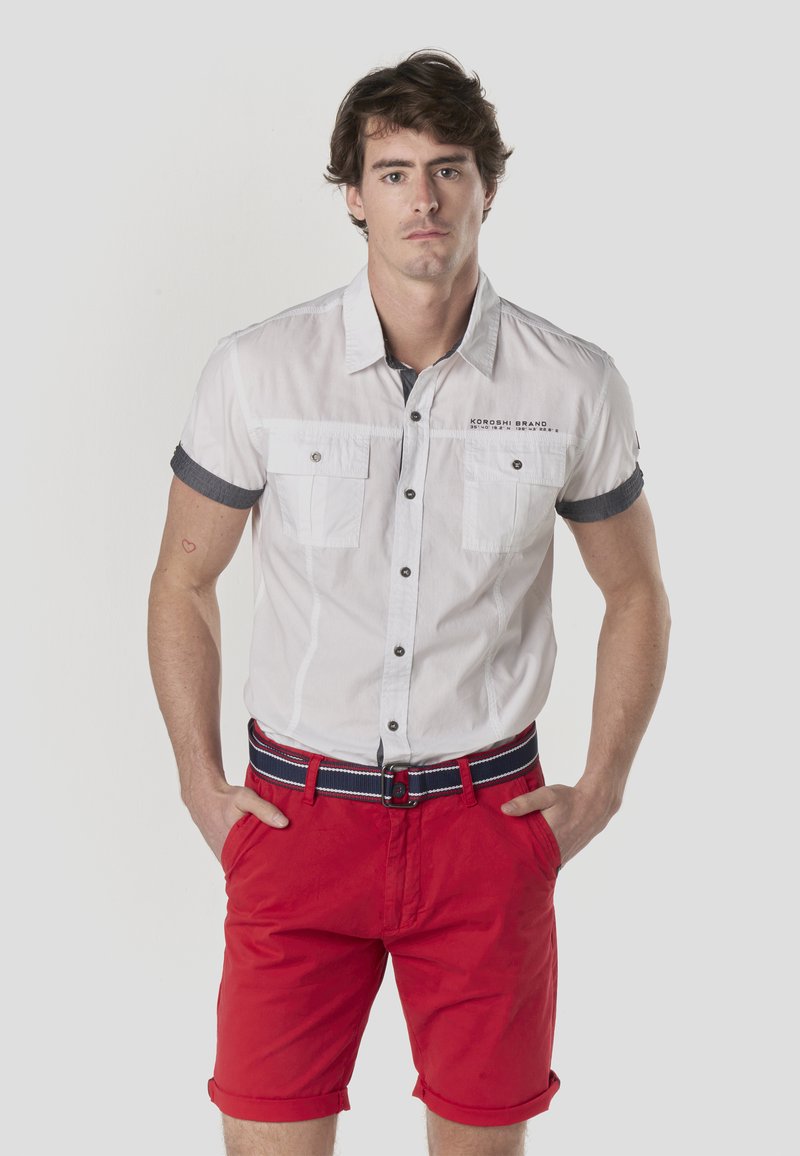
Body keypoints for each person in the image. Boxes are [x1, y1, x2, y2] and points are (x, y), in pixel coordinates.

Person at [147, 49, 670, 1156]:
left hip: (487, 828)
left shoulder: (570, 383)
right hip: (297, 824)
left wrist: (602, 790)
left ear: (487, 186)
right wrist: (200, 781)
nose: (421, 199)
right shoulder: (258, 372)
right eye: (392, 173)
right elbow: (184, 579)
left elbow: (633, 590)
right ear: (353, 194)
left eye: (447, 169)